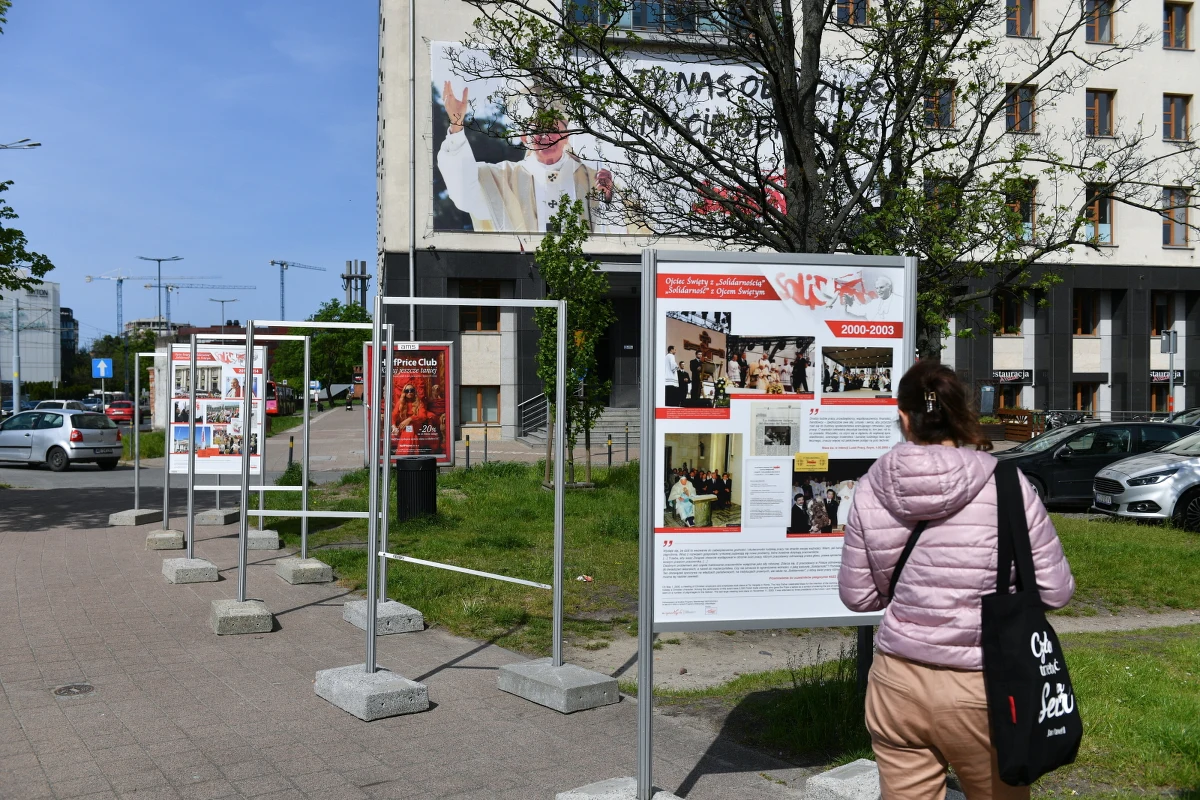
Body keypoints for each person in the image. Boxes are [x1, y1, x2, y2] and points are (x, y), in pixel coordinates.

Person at [838, 360, 1074, 800]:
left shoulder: (870, 486)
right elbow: (1056, 592)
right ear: (960, 413)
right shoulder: (1007, 483)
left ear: (904, 416)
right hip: (984, 683)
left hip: (897, 681)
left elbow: (859, 597)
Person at [438, 81, 618, 233]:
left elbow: (622, 225)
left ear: (566, 135)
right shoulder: (502, 178)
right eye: (537, 129)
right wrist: (456, 125)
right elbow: (465, 194)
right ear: (524, 138)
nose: (545, 136)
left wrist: (608, 197)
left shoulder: (593, 179)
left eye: (552, 129)